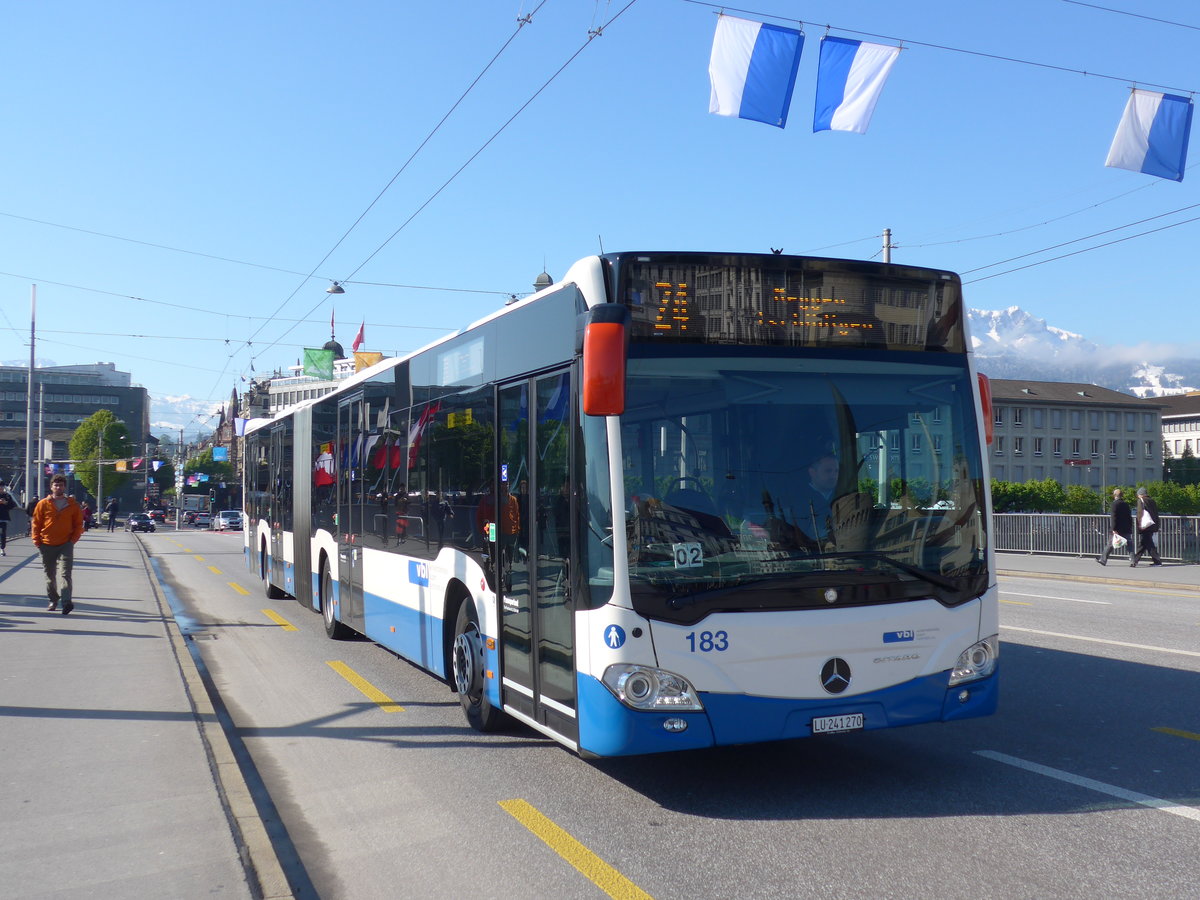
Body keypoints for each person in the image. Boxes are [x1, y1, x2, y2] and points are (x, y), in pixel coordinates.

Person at [32, 474, 85, 614]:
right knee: (50, 576)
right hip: (46, 543)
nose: (58, 487)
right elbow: (36, 523)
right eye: (56, 485)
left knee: (65, 574)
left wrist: (73, 540)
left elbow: (79, 524)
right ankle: (53, 600)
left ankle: (66, 602)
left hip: (65, 544)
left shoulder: (72, 504)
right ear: (51, 487)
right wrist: (37, 541)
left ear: (64, 487)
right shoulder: (43, 504)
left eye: (61, 485)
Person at [1096, 488, 1132, 566]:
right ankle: (1133, 561)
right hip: (1126, 528)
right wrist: (1130, 527)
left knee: (1110, 544)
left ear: (1115, 495)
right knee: (1129, 545)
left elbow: (1113, 517)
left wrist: (1113, 529)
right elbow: (1129, 517)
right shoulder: (1126, 504)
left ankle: (1103, 560)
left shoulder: (1114, 504)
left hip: (1117, 528)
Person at [1131, 486, 1162, 567]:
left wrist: (1139, 525)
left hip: (1145, 526)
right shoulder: (1152, 501)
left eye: (1138, 495)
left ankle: (1157, 561)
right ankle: (1135, 561)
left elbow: (1140, 513)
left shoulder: (1140, 501)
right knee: (1144, 543)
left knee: (1146, 543)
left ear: (1141, 494)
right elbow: (1155, 514)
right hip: (1152, 524)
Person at [0, 480, 15, 556]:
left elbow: (12, 505)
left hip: (3, 517)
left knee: (3, 533)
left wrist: (5, 503)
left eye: (2, 486)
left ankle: (2, 548)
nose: (1, 488)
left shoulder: (7, 496)